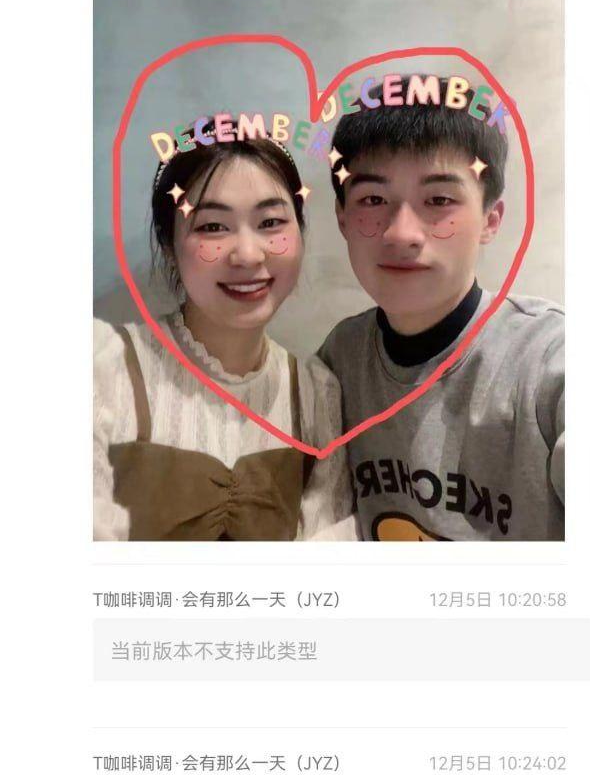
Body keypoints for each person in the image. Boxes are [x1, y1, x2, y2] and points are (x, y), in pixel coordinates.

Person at [318, 75, 564, 542]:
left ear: (490, 219)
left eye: (439, 200)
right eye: (373, 199)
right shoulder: (341, 358)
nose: (401, 233)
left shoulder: (550, 359)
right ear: (343, 218)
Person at [94, 125, 352, 541]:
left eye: (271, 222)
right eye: (213, 226)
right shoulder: (104, 371)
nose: (248, 254)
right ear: (168, 246)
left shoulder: (316, 395)